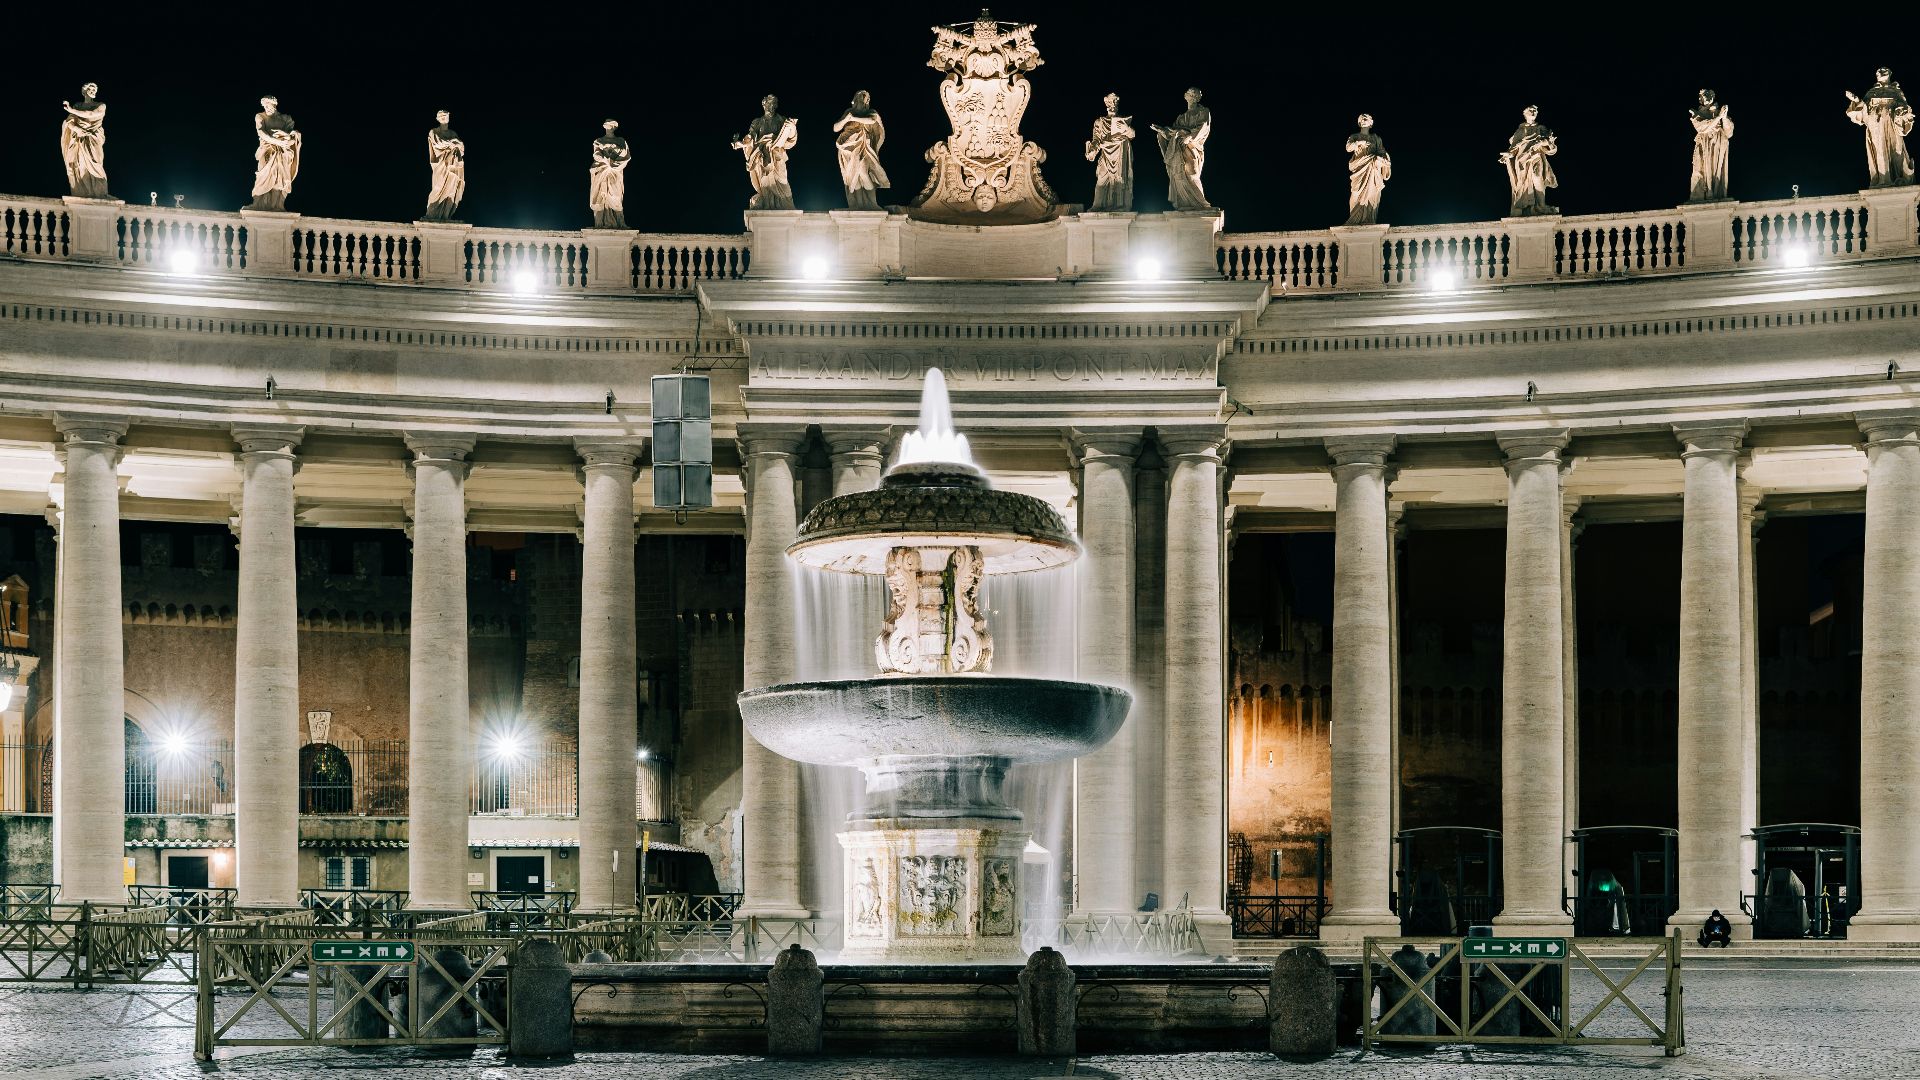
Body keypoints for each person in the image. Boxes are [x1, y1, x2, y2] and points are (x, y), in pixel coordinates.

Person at [1845, 68, 1915, 188]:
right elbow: (1864, 111)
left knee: (1897, 149)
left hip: (1892, 122)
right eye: (1879, 71)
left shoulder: (1896, 91)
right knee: (1880, 150)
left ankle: (1900, 178)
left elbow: (1904, 107)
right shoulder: (1872, 92)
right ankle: (1884, 180)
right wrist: (1856, 100)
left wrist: (1905, 115)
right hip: (1875, 124)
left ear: (1890, 74)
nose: (1881, 72)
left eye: (1884, 70)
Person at [732, 95, 799, 211]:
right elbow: (751, 137)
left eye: (773, 104)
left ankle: (785, 203)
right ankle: (767, 202)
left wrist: (792, 128)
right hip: (762, 156)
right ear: (764, 105)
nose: (771, 106)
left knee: (782, 180)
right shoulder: (757, 122)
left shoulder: (781, 120)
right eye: (769, 104)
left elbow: (791, 139)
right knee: (765, 181)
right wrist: (742, 144)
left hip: (777, 154)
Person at [1152, 88, 1213, 211]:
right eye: (1190, 94)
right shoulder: (1182, 117)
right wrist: (1163, 132)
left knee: (1192, 174)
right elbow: (1172, 134)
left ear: (1198, 98)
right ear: (1186, 96)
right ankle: (1184, 203)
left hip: (1193, 148)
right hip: (1179, 149)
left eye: (1194, 95)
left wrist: (1189, 137)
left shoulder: (1203, 112)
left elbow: (1203, 128)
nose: (1192, 96)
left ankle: (1201, 204)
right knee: (1179, 175)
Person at [833, 91, 890, 211]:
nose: (863, 97)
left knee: (863, 171)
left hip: (864, 145)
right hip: (848, 147)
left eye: (865, 96)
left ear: (867, 100)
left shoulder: (870, 112)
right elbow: (836, 128)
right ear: (855, 98)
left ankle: (872, 203)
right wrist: (846, 119)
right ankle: (857, 206)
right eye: (860, 95)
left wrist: (853, 118)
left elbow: (872, 120)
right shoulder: (849, 111)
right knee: (853, 177)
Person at [1500, 105, 1558, 216]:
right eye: (1530, 110)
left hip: (1536, 156)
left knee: (1537, 177)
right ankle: (1526, 206)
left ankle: (1541, 206)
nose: (1533, 112)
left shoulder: (1541, 129)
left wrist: (1544, 142)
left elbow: (1551, 145)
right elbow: (1514, 147)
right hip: (1521, 160)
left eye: (1535, 110)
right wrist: (1508, 155)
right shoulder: (1520, 130)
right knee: (1523, 183)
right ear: (1525, 113)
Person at [248, 96, 301, 212]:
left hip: (283, 152)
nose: (266, 108)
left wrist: (287, 136)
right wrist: (277, 142)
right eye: (264, 106)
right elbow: (261, 132)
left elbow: (293, 138)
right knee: (263, 175)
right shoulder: (260, 116)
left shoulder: (286, 118)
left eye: (268, 105)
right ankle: (257, 203)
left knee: (280, 178)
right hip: (266, 150)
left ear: (274, 104)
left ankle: (277, 205)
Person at [59, 83, 109, 199]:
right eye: (91, 89)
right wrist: (77, 129)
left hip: (93, 138)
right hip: (79, 138)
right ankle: (84, 192)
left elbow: (91, 114)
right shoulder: (78, 105)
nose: (93, 91)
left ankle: (99, 192)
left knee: (95, 163)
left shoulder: (101, 105)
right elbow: (69, 121)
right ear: (84, 91)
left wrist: (72, 110)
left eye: (95, 89)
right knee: (80, 165)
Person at [1085, 92, 1134, 212]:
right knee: (1102, 178)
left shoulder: (1122, 121)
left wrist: (1126, 128)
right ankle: (1098, 205)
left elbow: (1132, 134)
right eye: (1110, 102)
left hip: (1120, 151)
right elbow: (1096, 140)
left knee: (1119, 179)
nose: (1112, 105)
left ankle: (1119, 205)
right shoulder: (1099, 122)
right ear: (1106, 104)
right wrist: (1092, 151)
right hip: (1106, 152)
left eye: (1114, 102)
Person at [1345, 113, 1391, 225]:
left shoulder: (1376, 138)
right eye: (1362, 119)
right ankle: (1354, 219)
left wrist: (1384, 160)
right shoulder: (1355, 136)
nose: (1364, 120)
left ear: (1371, 123)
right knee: (1356, 192)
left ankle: (1369, 219)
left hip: (1373, 169)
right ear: (1359, 122)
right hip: (1359, 168)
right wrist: (1359, 142)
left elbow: (1382, 152)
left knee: (1372, 193)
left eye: (1366, 119)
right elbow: (1348, 148)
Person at [1688, 89, 1733, 202]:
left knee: (1717, 170)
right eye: (1703, 95)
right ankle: (1703, 194)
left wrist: (1724, 117)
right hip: (1704, 145)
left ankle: (1717, 193)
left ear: (1712, 96)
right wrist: (1718, 117)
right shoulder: (1696, 113)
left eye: (1707, 94)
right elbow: (1701, 127)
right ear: (1700, 99)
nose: (1705, 97)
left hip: (1718, 143)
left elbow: (1729, 133)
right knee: (1701, 169)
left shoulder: (1720, 112)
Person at [423, 110, 466, 222]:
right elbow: (438, 143)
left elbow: (461, 147)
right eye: (441, 116)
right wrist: (453, 142)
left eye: (445, 115)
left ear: (448, 117)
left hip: (453, 165)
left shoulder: (453, 133)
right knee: (438, 187)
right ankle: (432, 214)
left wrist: (456, 143)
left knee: (452, 188)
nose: (443, 117)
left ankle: (446, 215)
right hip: (441, 164)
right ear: (437, 119)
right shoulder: (434, 131)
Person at [589, 119, 630, 228]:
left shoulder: (621, 141)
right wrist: (604, 159)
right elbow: (596, 154)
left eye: (611, 126)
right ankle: (599, 223)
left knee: (615, 195)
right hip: (602, 170)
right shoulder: (598, 140)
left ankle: (620, 222)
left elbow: (626, 155)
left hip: (615, 171)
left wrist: (613, 162)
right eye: (607, 125)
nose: (608, 128)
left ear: (614, 128)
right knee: (600, 195)